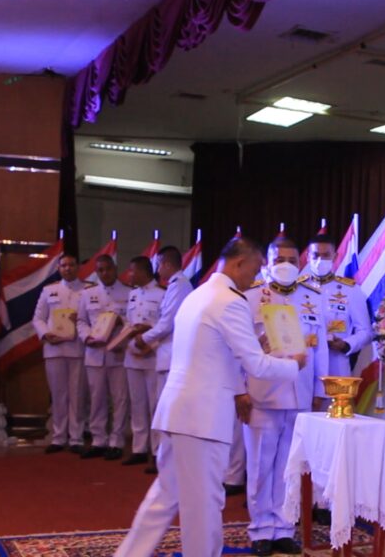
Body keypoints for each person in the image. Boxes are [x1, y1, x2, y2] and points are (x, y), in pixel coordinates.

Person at [114, 237, 304, 557]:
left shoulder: (199, 293)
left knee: (165, 496)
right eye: (254, 269)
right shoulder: (230, 301)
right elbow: (256, 366)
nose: (255, 277)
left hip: (179, 411)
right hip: (201, 417)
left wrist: (257, 345)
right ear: (239, 263)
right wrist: (294, 365)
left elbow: (214, 353)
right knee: (204, 505)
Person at [243, 237, 329, 557]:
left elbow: (319, 347)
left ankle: (283, 528)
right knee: (260, 464)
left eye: (292, 260)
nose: (286, 265)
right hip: (263, 393)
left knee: (289, 466)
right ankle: (260, 529)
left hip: (301, 393)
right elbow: (241, 349)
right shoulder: (252, 297)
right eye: (279, 259)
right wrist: (241, 390)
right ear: (267, 262)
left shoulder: (312, 297)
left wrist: (320, 389)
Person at [135, 246, 193, 474]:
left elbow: (167, 323)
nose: (157, 270)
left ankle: (165, 458)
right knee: (163, 409)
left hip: (171, 356)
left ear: (168, 264)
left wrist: (144, 338)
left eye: (159, 265)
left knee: (167, 410)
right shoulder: (176, 285)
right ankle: (162, 456)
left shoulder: (179, 286)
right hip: (167, 354)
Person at [76, 255, 131, 461]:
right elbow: (81, 321)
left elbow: (132, 322)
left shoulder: (128, 292)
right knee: (97, 398)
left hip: (118, 352)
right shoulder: (88, 293)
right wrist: (86, 337)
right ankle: (98, 440)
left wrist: (120, 323)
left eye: (108, 269)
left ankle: (116, 441)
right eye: (100, 270)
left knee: (120, 399)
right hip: (95, 352)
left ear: (115, 269)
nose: (105, 273)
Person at [32, 254, 88, 454]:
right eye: (63, 265)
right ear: (58, 268)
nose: (67, 268)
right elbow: (38, 318)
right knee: (58, 395)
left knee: (77, 395)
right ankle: (58, 437)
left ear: (78, 267)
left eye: (71, 265)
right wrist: (45, 334)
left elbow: (94, 318)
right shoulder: (49, 290)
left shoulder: (88, 290)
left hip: (77, 348)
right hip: (54, 348)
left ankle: (76, 438)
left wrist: (80, 318)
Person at [303, 233, 372, 378]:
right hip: (304, 364)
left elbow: (365, 331)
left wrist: (346, 344)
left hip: (335, 365)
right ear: (308, 257)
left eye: (326, 255)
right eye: (316, 255)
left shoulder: (350, 290)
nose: (320, 260)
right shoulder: (298, 289)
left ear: (334, 257)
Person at [122, 256, 164, 466]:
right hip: (133, 354)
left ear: (142, 271)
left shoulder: (162, 294)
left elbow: (164, 326)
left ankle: (157, 451)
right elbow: (129, 323)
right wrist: (128, 343)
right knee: (137, 403)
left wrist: (150, 345)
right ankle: (139, 448)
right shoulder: (133, 294)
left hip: (153, 356)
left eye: (132, 271)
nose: (129, 275)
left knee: (155, 404)